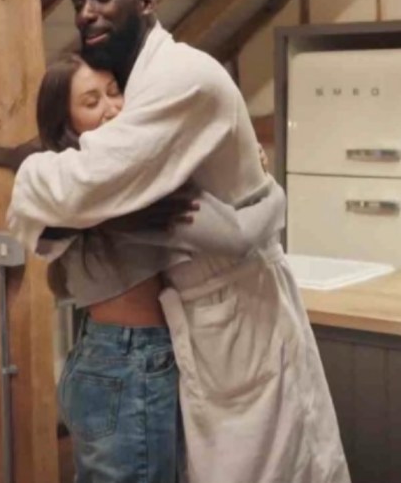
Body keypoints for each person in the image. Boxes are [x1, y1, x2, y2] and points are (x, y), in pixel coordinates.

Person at [8, 0, 350, 483]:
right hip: (137, 344)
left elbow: (84, 184)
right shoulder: (141, 91)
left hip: (234, 317)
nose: (86, 13)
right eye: (77, 3)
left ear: (147, 2)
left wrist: (32, 174)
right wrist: (263, 210)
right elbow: (86, 196)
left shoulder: (180, 78)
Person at [37, 52, 285, 482]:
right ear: (67, 122)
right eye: (92, 102)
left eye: (115, 92)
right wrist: (275, 192)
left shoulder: (97, 178)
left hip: (117, 354)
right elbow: (240, 238)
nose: (112, 107)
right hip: (129, 359)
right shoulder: (107, 185)